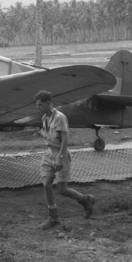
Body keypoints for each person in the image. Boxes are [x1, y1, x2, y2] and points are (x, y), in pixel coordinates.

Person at [35, 90, 95, 229]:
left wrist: (60, 158)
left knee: (62, 189)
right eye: (37, 105)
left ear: (49, 103)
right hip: (49, 153)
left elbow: (65, 139)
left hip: (61, 154)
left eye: (40, 105)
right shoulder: (45, 118)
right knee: (46, 184)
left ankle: (85, 199)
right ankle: (54, 218)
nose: (37, 107)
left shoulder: (60, 117)